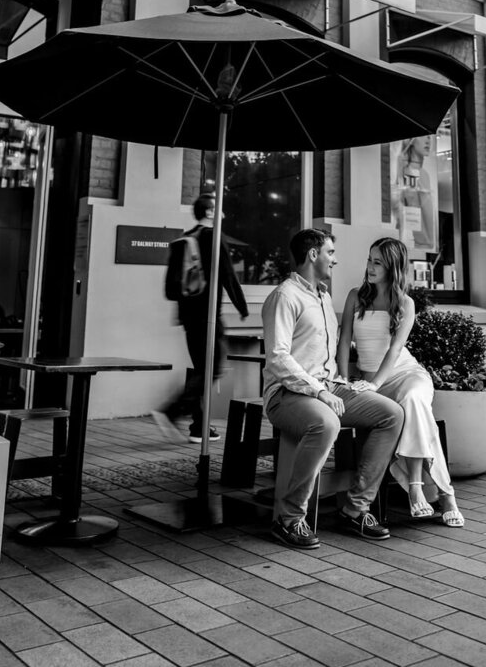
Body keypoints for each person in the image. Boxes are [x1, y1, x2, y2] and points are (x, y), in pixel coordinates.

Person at [261, 228, 404, 550]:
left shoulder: (323, 296)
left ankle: (355, 508)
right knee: (326, 423)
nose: (335, 260)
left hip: (329, 386)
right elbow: (278, 357)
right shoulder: (284, 296)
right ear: (313, 255)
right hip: (288, 394)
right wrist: (319, 391)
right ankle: (288, 518)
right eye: (330, 253)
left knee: (391, 413)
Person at [337, 236, 464, 527]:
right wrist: (343, 379)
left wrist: (375, 384)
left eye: (378, 262)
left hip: (407, 375)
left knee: (413, 400)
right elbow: (344, 341)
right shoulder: (355, 296)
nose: (370, 266)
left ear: (393, 266)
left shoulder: (405, 303)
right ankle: (446, 495)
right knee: (420, 414)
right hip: (371, 382)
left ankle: (416, 487)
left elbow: (396, 350)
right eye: (369, 260)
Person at [154, 193, 248, 444]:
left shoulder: (182, 241)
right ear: (209, 212)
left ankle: (198, 427)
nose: (224, 214)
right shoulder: (213, 238)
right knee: (214, 367)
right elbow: (228, 276)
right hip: (208, 317)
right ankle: (171, 410)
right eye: (219, 209)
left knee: (201, 369)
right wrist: (242, 307)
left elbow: (171, 290)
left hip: (188, 318)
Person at [391, 135, 435, 251]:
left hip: (425, 245)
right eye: (423, 136)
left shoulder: (424, 175)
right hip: (413, 243)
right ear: (411, 141)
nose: (428, 140)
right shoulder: (406, 171)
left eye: (430, 137)